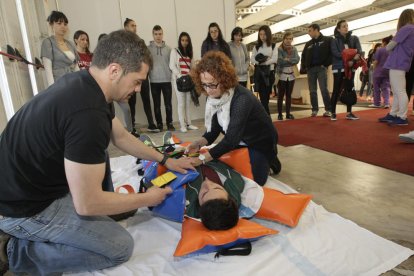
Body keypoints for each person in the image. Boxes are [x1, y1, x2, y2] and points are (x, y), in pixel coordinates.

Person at [0, 30, 195, 275]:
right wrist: (148, 198)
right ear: (114, 71)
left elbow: (121, 136)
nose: (137, 90)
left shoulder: (87, 83)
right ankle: (15, 251)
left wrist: (166, 159)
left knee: (98, 154)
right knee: (119, 247)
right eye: (136, 81)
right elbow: (86, 203)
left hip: (24, 183)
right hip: (21, 208)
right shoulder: (87, 115)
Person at [187, 51, 281, 186]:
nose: (208, 90)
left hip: (260, 142)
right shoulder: (214, 97)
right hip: (240, 139)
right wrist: (198, 143)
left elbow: (230, 140)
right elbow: (213, 131)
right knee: (225, 165)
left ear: (224, 79)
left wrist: (202, 158)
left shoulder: (241, 99)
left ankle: (271, 157)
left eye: (212, 84)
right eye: (204, 84)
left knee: (255, 181)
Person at [379, 9, 414, 126]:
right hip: (402, 63)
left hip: (397, 63)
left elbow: (389, 46)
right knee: (398, 91)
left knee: (399, 91)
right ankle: (394, 114)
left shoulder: (407, 28)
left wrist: (389, 47)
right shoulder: (412, 29)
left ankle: (402, 117)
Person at [124, 18, 159, 135]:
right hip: (130, 77)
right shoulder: (122, 42)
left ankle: (151, 124)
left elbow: (146, 56)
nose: (135, 28)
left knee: (146, 100)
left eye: (135, 25)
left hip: (143, 76)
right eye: (132, 25)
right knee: (131, 102)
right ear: (126, 27)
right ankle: (132, 126)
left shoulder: (141, 41)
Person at [330, 19, 363, 121]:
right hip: (339, 68)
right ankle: (333, 113)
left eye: (347, 26)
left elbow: (359, 51)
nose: (346, 28)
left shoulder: (354, 38)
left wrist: (352, 61)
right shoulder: (334, 40)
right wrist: (348, 58)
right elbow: (335, 53)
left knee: (349, 89)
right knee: (336, 89)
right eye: (343, 26)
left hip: (351, 67)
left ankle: (349, 113)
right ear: (338, 29)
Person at [300, 23, 332, 117]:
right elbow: (303, 56)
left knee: (323, 89)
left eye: (310, 31)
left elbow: (331, 53)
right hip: (311, 70)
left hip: (321, 68)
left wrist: (325, 64)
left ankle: (328, 110)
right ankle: (314, 109)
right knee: (312, 90)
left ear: (316, 30)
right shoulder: (308, 44)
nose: (308, 33)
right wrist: (305, 67)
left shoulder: (327, 40)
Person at [169, 32, 199, 133]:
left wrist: (192, 72)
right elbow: (172, 66)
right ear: (180, 41)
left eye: (186, 40)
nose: (184, 42)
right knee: (181, 103)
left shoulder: (190, 52)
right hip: (179, 81)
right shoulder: (175, 51)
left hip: (188, 80)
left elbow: (193, 66)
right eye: (183, 40)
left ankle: (189, 123)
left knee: (187, 102)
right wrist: (180, 76)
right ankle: (182, 125)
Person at [41, 11, 79, 87]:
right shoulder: (47, 43)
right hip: (59, 84)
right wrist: (52, 90)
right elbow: (48, 71)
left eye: (65, 24)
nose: (63, 26)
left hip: (73, 82)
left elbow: (76, 67)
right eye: (59, 23)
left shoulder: (70, 44)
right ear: (51, 24)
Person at [148, 25, 175, 131]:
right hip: (154, 80)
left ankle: (170, 123)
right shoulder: (148, 49)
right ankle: (159, 124)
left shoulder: (169, 49)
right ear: (153, 35)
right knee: (157, 105)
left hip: (166, 80)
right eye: (156, 34)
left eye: (160, 34)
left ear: (162, 34)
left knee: (168, 104)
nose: (158, 36)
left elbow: (171, 65)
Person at [251, 25, 278, 115]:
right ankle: (267, 117)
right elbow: (252, 59)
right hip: (260, 74)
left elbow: (275, 59)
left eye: (264, 34)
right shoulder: (256, 47)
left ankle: (265, 117)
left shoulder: (273, 46)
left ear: (268, 34)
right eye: (260, 34)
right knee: (263, 97)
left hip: (270, 74)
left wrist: (264, 62)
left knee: (266, 97)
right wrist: (264, 61)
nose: (262, 36)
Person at [276, 32, 300, 120]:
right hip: (281, 75)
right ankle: (279, 114)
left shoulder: (294, 49)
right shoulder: (279, 49)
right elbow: (280, 61)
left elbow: (297, 59)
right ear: (284, 39)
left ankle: (288, 114)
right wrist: (290, 60)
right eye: (287, 38)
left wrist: (287, 59)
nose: (289, 40)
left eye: (290, 39)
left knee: (289, 95)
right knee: (280, 95)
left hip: (291, 75)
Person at [369, 36, 392, 108]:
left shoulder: (380, 50)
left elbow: (376, 61)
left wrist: (374, 69)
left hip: (378, 71)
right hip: (388, 71)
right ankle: (387, 103)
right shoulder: (392, 50)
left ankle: (377, 103)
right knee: (386, 87)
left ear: (384, 42)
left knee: (376, 88)